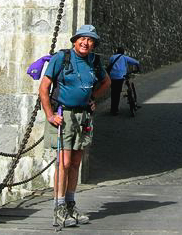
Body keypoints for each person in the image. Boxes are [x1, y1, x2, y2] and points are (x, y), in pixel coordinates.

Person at [39, 24, 110, 228]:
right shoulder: (62, 58)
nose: (86, 43)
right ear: (75, 40)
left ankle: (70, 205)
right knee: (64, 162)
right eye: (82, 38)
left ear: (93, 44)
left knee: (76, 162)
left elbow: (106, 82)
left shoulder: (94, 61)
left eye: (90, 40)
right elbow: (44, 88)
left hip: (83, 116)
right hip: (64, 116)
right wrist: (50, 115)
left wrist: (92, 98)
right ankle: (59, 207)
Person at [107, 47, 140, 116]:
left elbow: (109, 65)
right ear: (123, 52)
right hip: (120, 77)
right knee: (117, 92)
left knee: (113, 92)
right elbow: (135, 62)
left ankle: (113, 109)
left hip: (112, 76)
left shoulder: (112, 57)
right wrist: (138, 66)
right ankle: (115, 110)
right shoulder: (124, 57)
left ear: (117, 51)